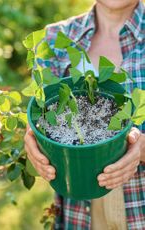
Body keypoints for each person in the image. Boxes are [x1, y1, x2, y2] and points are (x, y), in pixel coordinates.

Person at [24, 0, 145, 229]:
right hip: (79, 212)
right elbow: (41, 117)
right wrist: (33, 141)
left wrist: (141, 149)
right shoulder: (53, 40)